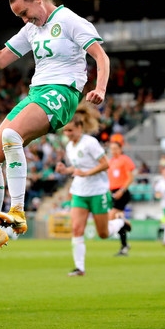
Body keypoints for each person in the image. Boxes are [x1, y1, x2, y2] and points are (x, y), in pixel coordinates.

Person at [0, 0, 110, 267]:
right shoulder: (31, 29)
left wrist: (99, 88)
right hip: (36, 94)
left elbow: (100, 55)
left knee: (10, 136)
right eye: (20, 16)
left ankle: (18, 211)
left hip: (62, 93)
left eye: (25, 13)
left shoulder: (69, 20)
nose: (24, 20)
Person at [55, 103, 130, 276]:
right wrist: (65, 170)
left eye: (70, 131)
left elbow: (106, 164)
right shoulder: (69, 147)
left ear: (79, 127)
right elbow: (77, 168)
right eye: (65, 131)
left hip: (97, 191)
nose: (67, 134)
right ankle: (79, 268)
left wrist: (87, 172)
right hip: (80, 192)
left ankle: (120, 222)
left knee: (103, 234)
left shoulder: (90, 143)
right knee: (76, 229)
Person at [107, 141, 135, 256]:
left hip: (122, 192)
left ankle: (125, 224)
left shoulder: (125, 160)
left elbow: (130, 177)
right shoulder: (111, 161)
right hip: (113, 192)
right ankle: (124, 245)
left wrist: (122, 190)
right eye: (111, 149)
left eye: (115, 148)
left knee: (112, 215)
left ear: (120, 149)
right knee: (117, 218)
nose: (113, 151)